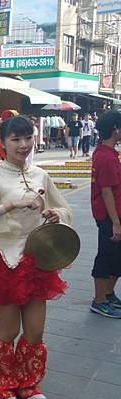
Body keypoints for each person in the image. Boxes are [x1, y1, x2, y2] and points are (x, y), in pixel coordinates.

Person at [0, 115, 72, 399]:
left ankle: (28, 382)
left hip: (38, 258)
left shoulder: (40, 174)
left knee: (35, 331)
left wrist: (54, 215)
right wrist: (9, 204)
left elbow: (61, 206)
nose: (23, 145)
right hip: (4, 260)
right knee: (9, 330)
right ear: (3, 144)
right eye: (16, 139)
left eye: (28, 138)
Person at [89, 110, 121, 318]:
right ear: (116, 130)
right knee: (106, 256)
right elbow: (107, 191)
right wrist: (116, 223)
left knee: (116, 256)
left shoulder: (105, 152)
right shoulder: (106, 157)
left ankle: (108, 293)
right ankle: (99, 300)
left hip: (113, 215)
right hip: (110, 217)